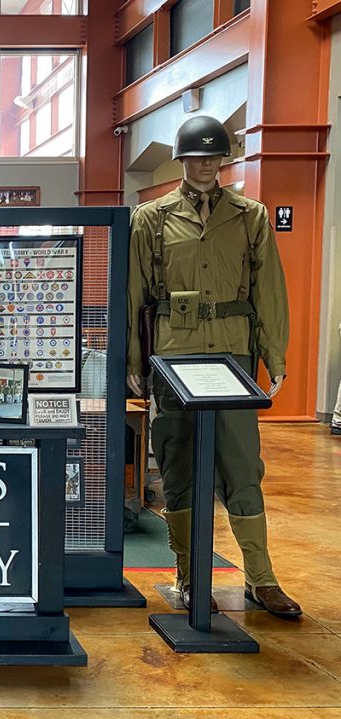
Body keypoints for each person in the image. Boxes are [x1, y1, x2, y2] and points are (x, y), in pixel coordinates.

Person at [126, 115, 301, 618]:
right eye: (195, 156)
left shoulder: (251, 216)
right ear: (181, 160)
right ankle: (187, 570)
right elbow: (134, 292)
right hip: (173, 354)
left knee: (243, 465)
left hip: (232, 355)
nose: (204, 163)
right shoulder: (152, 218)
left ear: (225, 158)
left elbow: (270, 291)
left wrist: (275, 354)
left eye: (213, 155)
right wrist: (134, 361)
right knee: (177, 463)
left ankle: (261, 578)